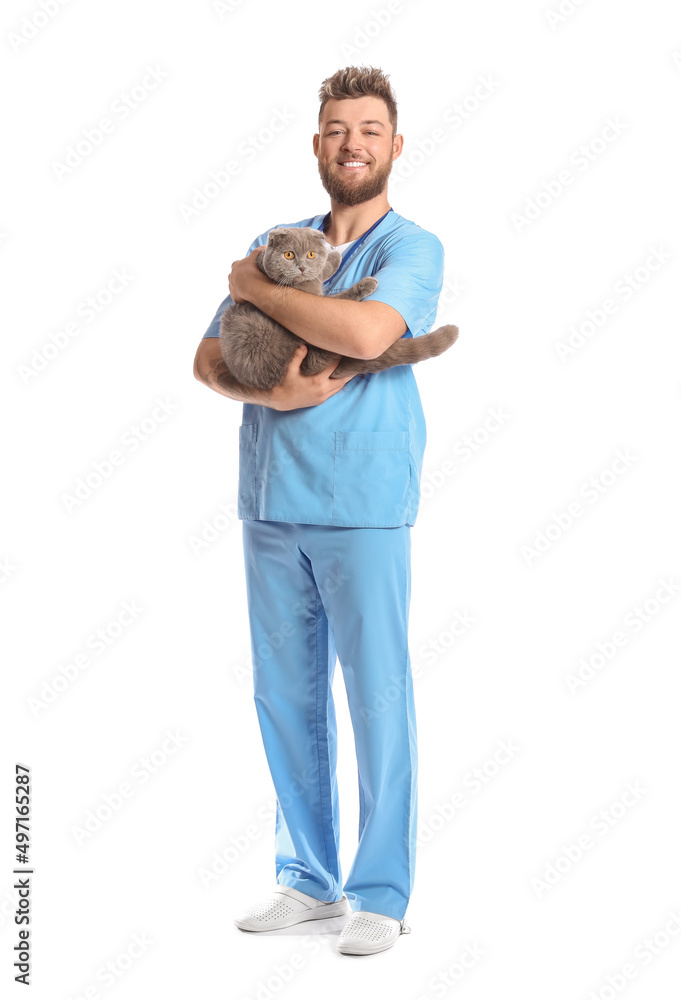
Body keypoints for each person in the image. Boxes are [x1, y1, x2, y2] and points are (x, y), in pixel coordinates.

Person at [193, 65, 446, 957]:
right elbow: (207, 357)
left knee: (376, 699)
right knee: (285, 696)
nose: (352, 144)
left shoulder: (411, 250)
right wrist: (265, 383)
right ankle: (307, 879)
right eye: (338, 129)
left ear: (394, 145)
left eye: (369, 130)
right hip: (270, 502)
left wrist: (256, 292)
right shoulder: (282, 240)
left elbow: (369, 335)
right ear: (316, 143)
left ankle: (380, 890)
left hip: (362, 504)